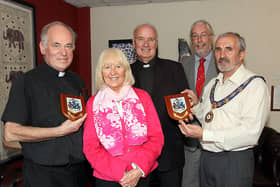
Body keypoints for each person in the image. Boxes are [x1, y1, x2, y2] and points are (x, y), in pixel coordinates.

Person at [1, 21, 88, 187]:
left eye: (68, 46)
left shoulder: (77, 81)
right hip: (43, 175)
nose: (63, 52)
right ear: (43, 48)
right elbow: (10, 133)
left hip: (78, 171)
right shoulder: (25, 82)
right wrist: (59, 131)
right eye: (56, 45)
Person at [179, 32, 269, 187]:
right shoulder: (212, 84)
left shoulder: (255, 85)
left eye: (229, 49)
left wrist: (204, 134)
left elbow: (250, 133)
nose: (222, 55)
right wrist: (195, 106)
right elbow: (209, 117)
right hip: (207, 160)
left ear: (241, 55)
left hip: (235, 161)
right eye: (218, 50)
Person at [83, 48, 164, 187]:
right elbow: (90, 147)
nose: (113, 72)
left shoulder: (143, 97)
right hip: (108, 178)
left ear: (125, 70)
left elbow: (156, 138)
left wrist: (138, 168)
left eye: (118, 66)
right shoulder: (92, 103)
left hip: (143, 174)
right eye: (107, 67)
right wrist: (119, 172)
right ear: (101, 72)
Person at [131, 24, 189, 187]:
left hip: (170, 155)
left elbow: (184, 106)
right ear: (134, 43)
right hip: (137, 158)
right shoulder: (124, 73)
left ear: (156, 43)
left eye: (151, 39)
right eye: (141, 39)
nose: (146, 44)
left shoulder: (175, 69)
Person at [180, 20, 218, 187]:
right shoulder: (182, 64)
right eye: (194, 36)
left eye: (203, 35)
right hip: (190, 142)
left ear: (211, 37)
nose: (199, 40)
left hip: (216, 139)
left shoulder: (223, 63)